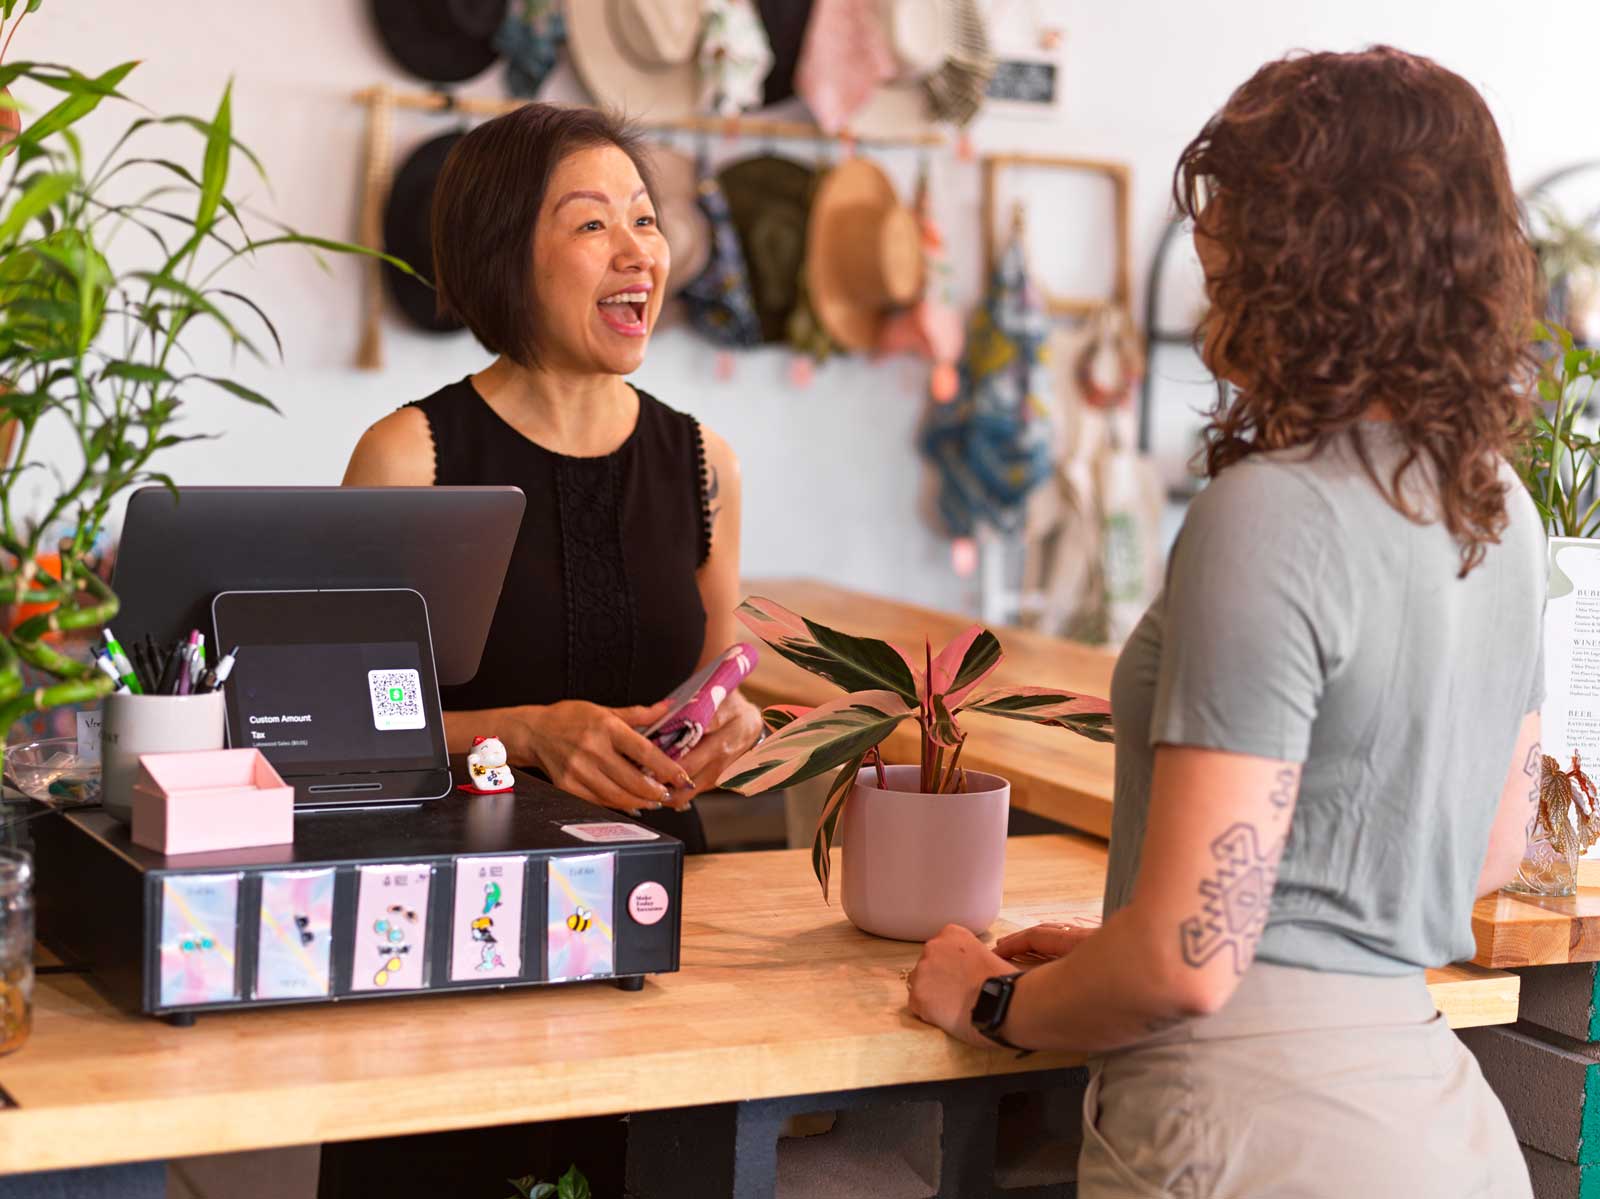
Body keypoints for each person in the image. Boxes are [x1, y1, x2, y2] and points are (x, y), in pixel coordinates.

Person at [905, 47, 1544, 1197]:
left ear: (1311, 261)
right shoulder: (1498, 505)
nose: (1212, 280)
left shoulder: (1274, 513)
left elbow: (1192, 960)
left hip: (1245, 1134)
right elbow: (1485, 850)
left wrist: (993, 997)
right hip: (1439, 1133)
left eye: (1232, 243)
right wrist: (1121, 950)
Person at [344, 103, 762, 854]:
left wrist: (738, 723)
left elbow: (710, 684)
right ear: (503, 253)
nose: (639, 254)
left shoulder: (707, 463)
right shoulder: (410, 459)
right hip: (464, 891)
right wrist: (526, 732)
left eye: (644, 219)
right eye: (593, 225)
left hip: (662, 890)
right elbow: (350, 718)